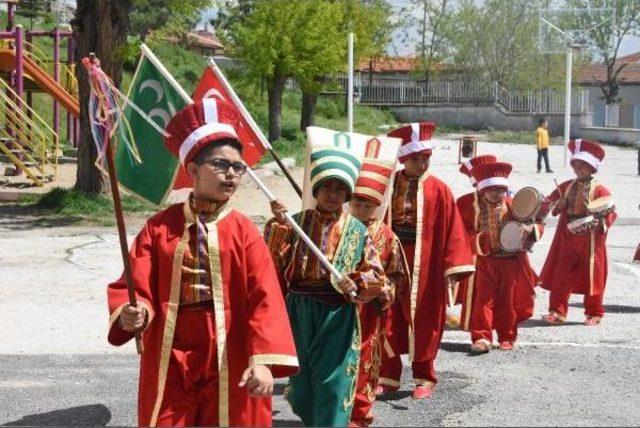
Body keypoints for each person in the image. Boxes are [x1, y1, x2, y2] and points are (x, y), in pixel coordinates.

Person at [107, 99, 299, 427]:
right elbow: (134, 285)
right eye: (220, 164)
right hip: (172, 346)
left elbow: (265, 299)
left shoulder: (245, 232)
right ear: (193, 170)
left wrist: (263, 361)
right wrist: (132, 312)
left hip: (229, 346)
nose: (232, 174)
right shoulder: (159, 227)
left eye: (238, 167)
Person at [264, 138, 385, 427]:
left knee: (333, 383)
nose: (333, 194)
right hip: (299, 310)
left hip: (336, 313)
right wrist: (278, 226)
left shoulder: (357, 230)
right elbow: (269, 262)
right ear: (316, 189)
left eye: (341, 188)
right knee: (303, 383)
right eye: (328, 187)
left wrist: (356, 282)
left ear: (347, 194)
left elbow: (376, 274)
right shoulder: (294, 223)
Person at [378, 122, 475, 400]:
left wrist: (452, 266)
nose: (422, 164)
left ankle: (424, 376)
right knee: (387, 316)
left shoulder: (439, 190)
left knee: (424, 320)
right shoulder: (388, 184)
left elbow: (454, 230)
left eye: (426, 159)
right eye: (416, 159)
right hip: (391, 259)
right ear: (404, 159)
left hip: (426, 264)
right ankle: (388, 375)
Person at [347, 140, 410, 427]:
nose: (361, 208)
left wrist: (383, 291)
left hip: (370, 312)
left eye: (367, 204)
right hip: (338, 308)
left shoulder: (387, 235)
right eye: (356, 203)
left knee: (364, 360)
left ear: (377, 205)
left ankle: (360, 411)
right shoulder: (338, 229)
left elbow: (397, 274)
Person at [456, 161, 543, 352]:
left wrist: (530, 229)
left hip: (510, 262)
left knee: (507, 301)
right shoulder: (470, 206)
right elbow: (461, 231)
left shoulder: (515, 206)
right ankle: (481, 337)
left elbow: (537, 223)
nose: (497, 193)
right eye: (492, 189)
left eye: (501, 189)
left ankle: (507, 336)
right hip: (485, 261)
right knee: (483, 300)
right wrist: (480, 240)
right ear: (482, 190)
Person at [540, 139, 616, 326]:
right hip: (568, 237)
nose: (579, 168)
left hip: (590, 239)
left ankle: (594, 313)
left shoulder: (601, 189)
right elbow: (549, 204)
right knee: (561, 274)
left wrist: (600, 221)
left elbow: (611, 211)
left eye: (584, 165)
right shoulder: (566, 186)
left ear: (592, 168)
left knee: (593, 275)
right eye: (576, 165)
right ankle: (557, 312)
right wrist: (558, 205)